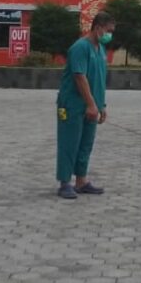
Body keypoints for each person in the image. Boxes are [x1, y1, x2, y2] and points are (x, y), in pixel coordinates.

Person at [55, 12, 115, 199]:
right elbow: (79, 76)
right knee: (69, 142)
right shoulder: (80, 48)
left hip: (92, 105)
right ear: (97, 28)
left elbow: (99, 79)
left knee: (86, 143)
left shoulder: (100, 49)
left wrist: (101, 105)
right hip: (72, 105)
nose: (110, 35)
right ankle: (65, 183)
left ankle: (81, 181)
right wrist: (90, 104)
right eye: (108, 31)